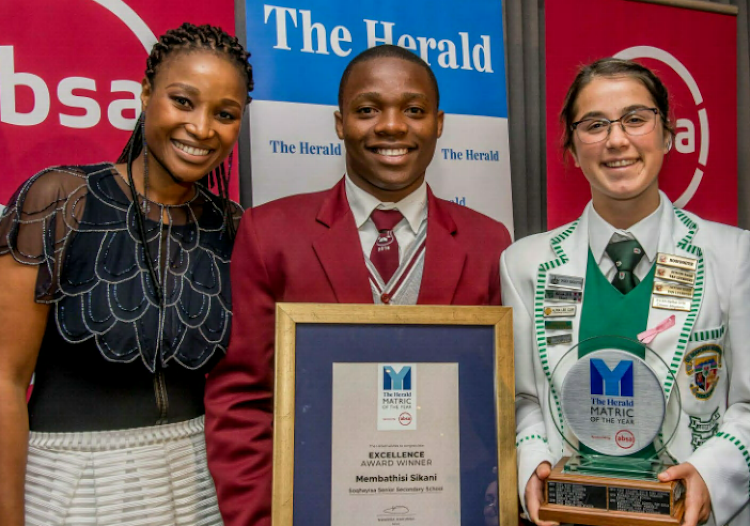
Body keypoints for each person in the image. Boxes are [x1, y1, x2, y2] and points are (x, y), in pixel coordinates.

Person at [204, 44, 512, 526]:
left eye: (414, 110)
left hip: (455, 506)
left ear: (439, 123)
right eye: (368, 110)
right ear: (339, 123)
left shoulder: (489, 242)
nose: (391, 126)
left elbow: (498, 403)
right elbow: (243, 401)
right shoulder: (272, 234)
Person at [0, 23, 252, 526]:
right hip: (72, 486)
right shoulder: (61, 199)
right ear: (144, 94)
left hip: (201, 489)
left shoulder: (234, 225)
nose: (202, 129)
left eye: (225, 114)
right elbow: (4, 378)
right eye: (183, 101)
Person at [501, 57, 750, 526]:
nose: (617, 139)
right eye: (595, 124)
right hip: (573, 512)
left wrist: (709, 473)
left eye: (636, 119)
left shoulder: (734, 255)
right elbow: (523, 400)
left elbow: (747, 403)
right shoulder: (524, 264)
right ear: (572, 149)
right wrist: (534, 465)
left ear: (669, 135)